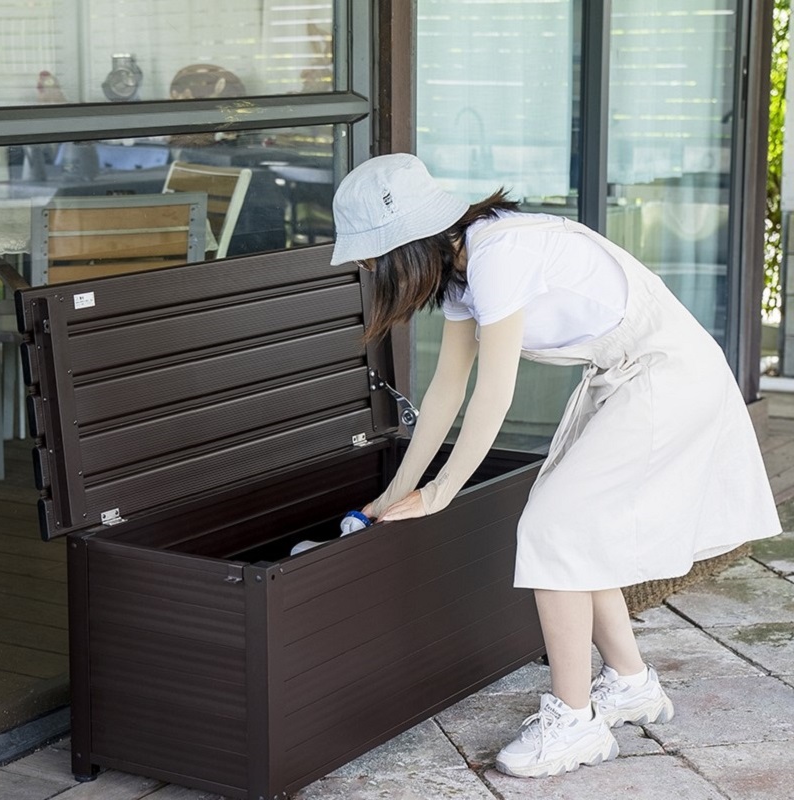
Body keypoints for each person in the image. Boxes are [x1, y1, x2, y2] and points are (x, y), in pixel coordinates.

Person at [329, 153, 781, 779]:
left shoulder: (497, 255)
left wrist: (442, 493)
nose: (366, 268)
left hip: (664, 375)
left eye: (371, 256)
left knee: (553, 529)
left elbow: (494, 393)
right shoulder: (461, 267)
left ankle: (575, 723)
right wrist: (398, 492)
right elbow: (447, 387)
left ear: (407, 243)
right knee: (575, 533)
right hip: (627, 377)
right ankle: (630, 684)